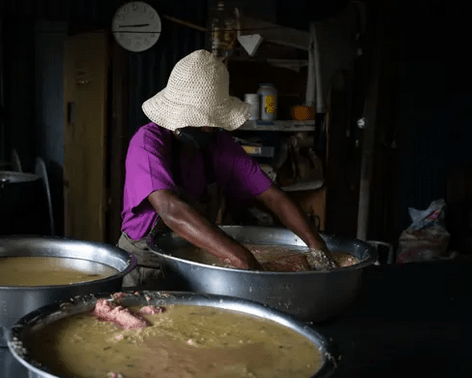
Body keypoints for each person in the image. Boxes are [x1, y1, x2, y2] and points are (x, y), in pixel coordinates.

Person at [118, 49, 334, 287]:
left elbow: (273, 197)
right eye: (205, 125)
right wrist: (244, 259)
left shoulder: (219, 144)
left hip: (196, 260)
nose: (211, 130)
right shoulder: (147, 142)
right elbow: (170, 210)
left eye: (213, 125)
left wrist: (318, 249)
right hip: (147, 266)